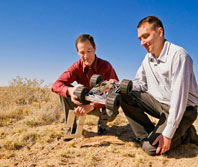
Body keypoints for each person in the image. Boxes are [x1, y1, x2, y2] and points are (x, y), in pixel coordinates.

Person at [121, 16, 198, 155]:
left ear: (160, 32)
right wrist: (122, 85)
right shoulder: (148, 59)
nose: (142, 43)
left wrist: (168, 134)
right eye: (140, 39)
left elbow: (179, 97)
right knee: (123, 92)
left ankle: (187, 134)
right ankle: (146, 136)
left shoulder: (179, 55)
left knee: (151, 149)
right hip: (159, 104)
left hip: (183, 109)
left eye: (146, 36)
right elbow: (141, 84)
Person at [52, 34, 119, 138]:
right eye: (82, 53)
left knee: (111, 109)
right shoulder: (76, 67)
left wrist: (91, 106)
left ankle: (103, 123)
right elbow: (56, 85)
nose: (86, 56)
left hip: (100, 105)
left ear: (95, 48)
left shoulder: (105, 66)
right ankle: (72, 129)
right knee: (64, 91)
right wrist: (70, 91)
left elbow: (114, 90)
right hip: (83, 101)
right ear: (78, 52)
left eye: (89, 51)